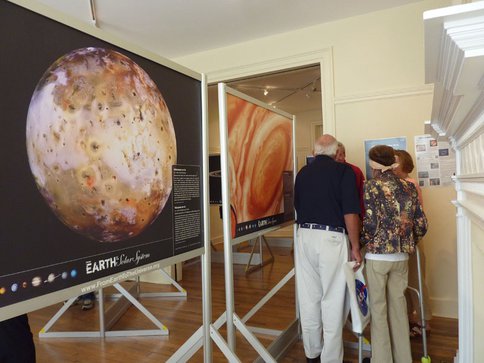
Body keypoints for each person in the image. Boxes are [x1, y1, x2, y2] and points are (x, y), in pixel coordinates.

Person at [294, 134, 362, 363]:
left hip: (304, 235)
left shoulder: (303, 173)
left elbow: (297, 205)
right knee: (333, 299)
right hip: (332, 237)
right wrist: (355, 246)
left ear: (315, 152)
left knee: (308, 297)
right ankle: (331, 359)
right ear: (335, 153)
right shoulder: (344, 172)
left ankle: (311, 354)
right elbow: (350, 212)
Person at [361, 145, 428, 363]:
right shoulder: (408, 187)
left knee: (378, 312)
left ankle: (382, 360)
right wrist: (407, 242)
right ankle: (404, 359)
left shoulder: (371, 186)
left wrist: (360, 244)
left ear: (373, 165)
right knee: (399, 310)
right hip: (401, 257)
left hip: (378, 257)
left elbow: (370, 223)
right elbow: (421, 224)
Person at [394, 149, 432, 337]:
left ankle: (423, 321)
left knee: (416, 280)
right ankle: (410, 319)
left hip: (413, 239)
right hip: (401, 241)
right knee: (404, 281)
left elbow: (415, 214)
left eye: (396, 161)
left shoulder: (410, 183)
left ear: (404, 163)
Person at [335, 142, 365, 219]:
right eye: (335, 155)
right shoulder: (327, 172)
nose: (338, 158)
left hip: (353, 215)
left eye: (341, 154)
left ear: (345, 155)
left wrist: (362, 218)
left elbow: (362, 196)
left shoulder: (355, 171)